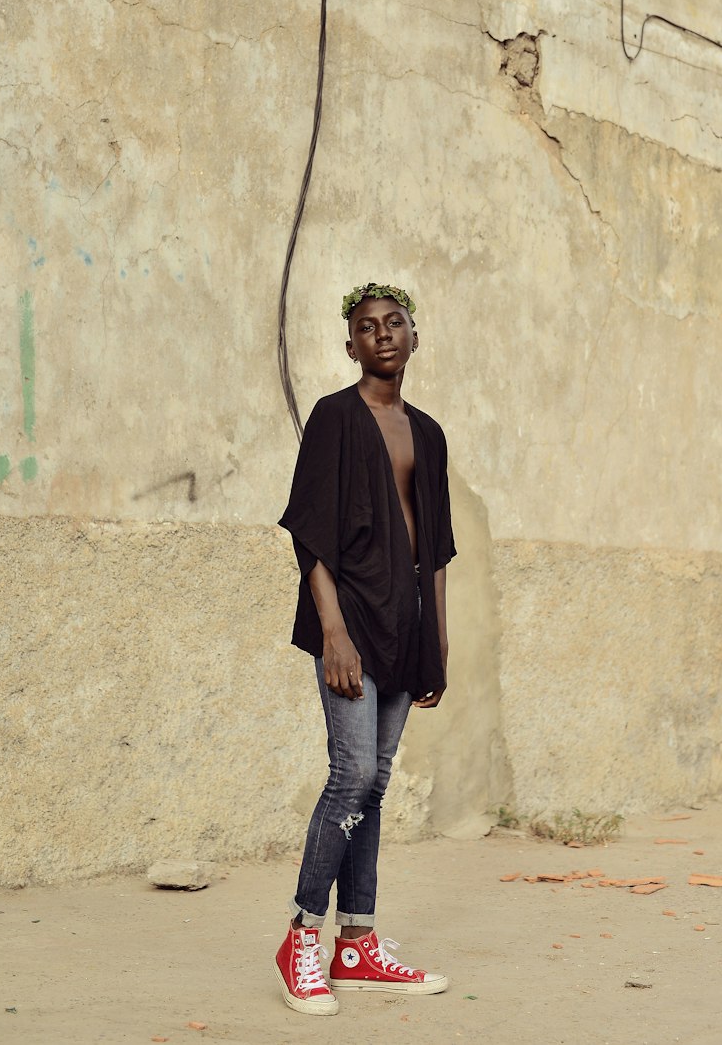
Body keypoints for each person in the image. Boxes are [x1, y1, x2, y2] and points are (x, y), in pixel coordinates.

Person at [274, 283, 455, 1016]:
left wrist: (437, 642)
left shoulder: (431, 433)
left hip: (406, 624)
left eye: (394, 323)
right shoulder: (333, 418)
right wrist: (333, 633)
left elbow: (436, 549)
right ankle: (301, 938)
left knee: (376, 782)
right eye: (366, 327)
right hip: (349, 617)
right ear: (351, 345)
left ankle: (358, 942)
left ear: (415, 335)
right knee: (350, 774)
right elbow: (309, 533)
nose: (382, 334)